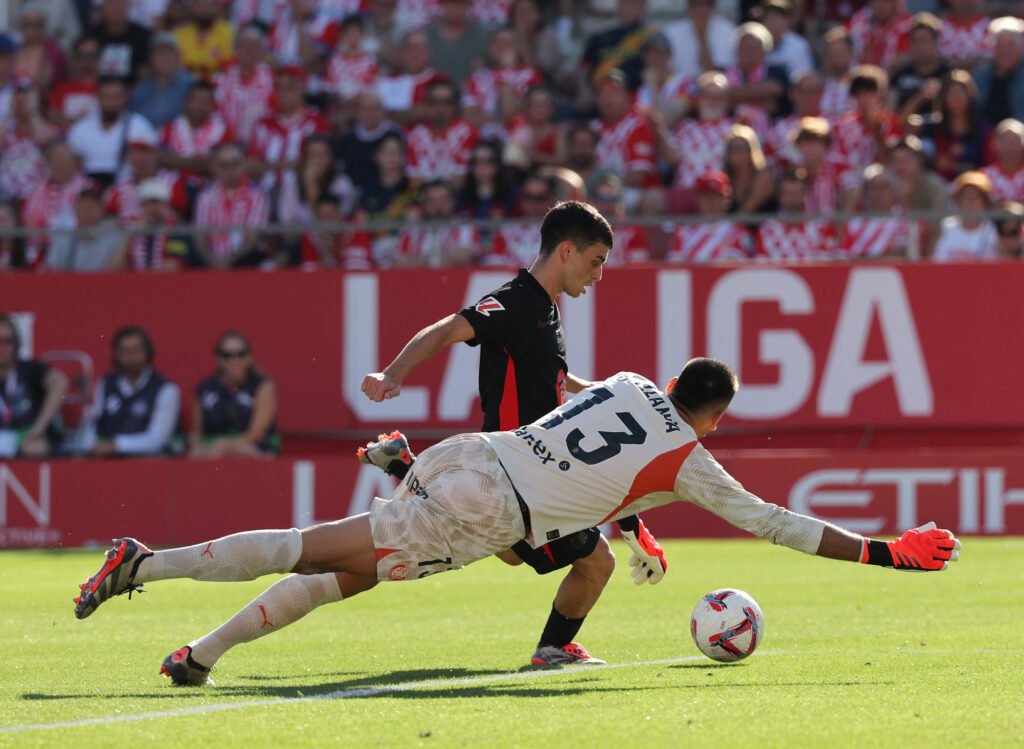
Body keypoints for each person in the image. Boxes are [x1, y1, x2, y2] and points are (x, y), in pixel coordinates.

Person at [71, 358, 962, 687]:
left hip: (475, 454)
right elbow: (777, 523)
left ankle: (200, 655)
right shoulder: (691, 458)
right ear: (717, 414)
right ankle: (145, 562)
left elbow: (578, 396)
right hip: (490, 510)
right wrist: (887, 551)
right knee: (319, 547)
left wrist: (626, 515)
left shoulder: (630, 384)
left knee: (345, 576)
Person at [357, 200, 643, 668]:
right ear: (567, 251)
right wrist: (393, 374)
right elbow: (450, 328)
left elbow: (550, 372)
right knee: (597, 562)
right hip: (521, 467)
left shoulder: (545, 309)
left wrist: (598, 390)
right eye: (596, 263)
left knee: (511, 554)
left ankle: (406, 464)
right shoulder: (515, 299)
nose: (598, 276)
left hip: (523, 468)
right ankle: (554, 649)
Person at [78, 325, 181, 457]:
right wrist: (88, 446)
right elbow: (93, 424)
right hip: (107, 460)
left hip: (148, 462)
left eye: (137, 351)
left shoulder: (166, 389)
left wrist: (117, 445)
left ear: (148, 352)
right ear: (116, 354)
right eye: (125, 351)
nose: (132, 357)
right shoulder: (105, 384)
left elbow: (158, 439)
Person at [190, 331, 280, 459]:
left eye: (241, 354)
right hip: (213, 449)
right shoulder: (205, 388)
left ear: (250, 357)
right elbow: (197, 432)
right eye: (227, 355)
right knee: (195, 455)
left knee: (224, 447)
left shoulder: (262, 387)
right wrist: (198, 447)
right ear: (218, 358)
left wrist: (227, 446)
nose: (234, 360)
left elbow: (256, 433)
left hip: (256, 447)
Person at [0, 313, 68, 458]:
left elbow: (60, 382)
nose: (2, 346)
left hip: (28, 436)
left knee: (34, 448)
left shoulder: (30, 369)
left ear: (16, 343)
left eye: (8, 341)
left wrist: (38, 429)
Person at [43, 181, 125, 271]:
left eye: (92, 207)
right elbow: (52, 272)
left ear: (102, 211)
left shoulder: (113, 238)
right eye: (83, 207)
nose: (87, 213)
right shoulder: (63, 239)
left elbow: (119, 272)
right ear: (76, 211)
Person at [932, 170, 998, 261]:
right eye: (966, 195)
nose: (971, 200)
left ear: (986, 202)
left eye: (977, 196)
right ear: (958, 201)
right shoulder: (944, 227)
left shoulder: (994, 230)